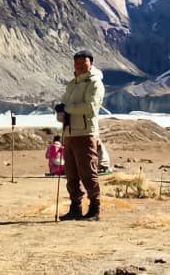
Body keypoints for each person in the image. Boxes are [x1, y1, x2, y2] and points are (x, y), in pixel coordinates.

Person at [56, 50, 104, 221]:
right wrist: (61, 113)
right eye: (77, 63)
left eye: (83, 63)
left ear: (90, 63)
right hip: (69, 133)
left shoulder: (94, 83)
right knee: (72, 174)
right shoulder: (72, 84)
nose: (79, 66)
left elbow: (91, 107)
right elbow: (65, 103)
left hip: (85, 132)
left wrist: (67, 109)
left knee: (87, 172)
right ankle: (75, 207)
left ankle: (94, 208)